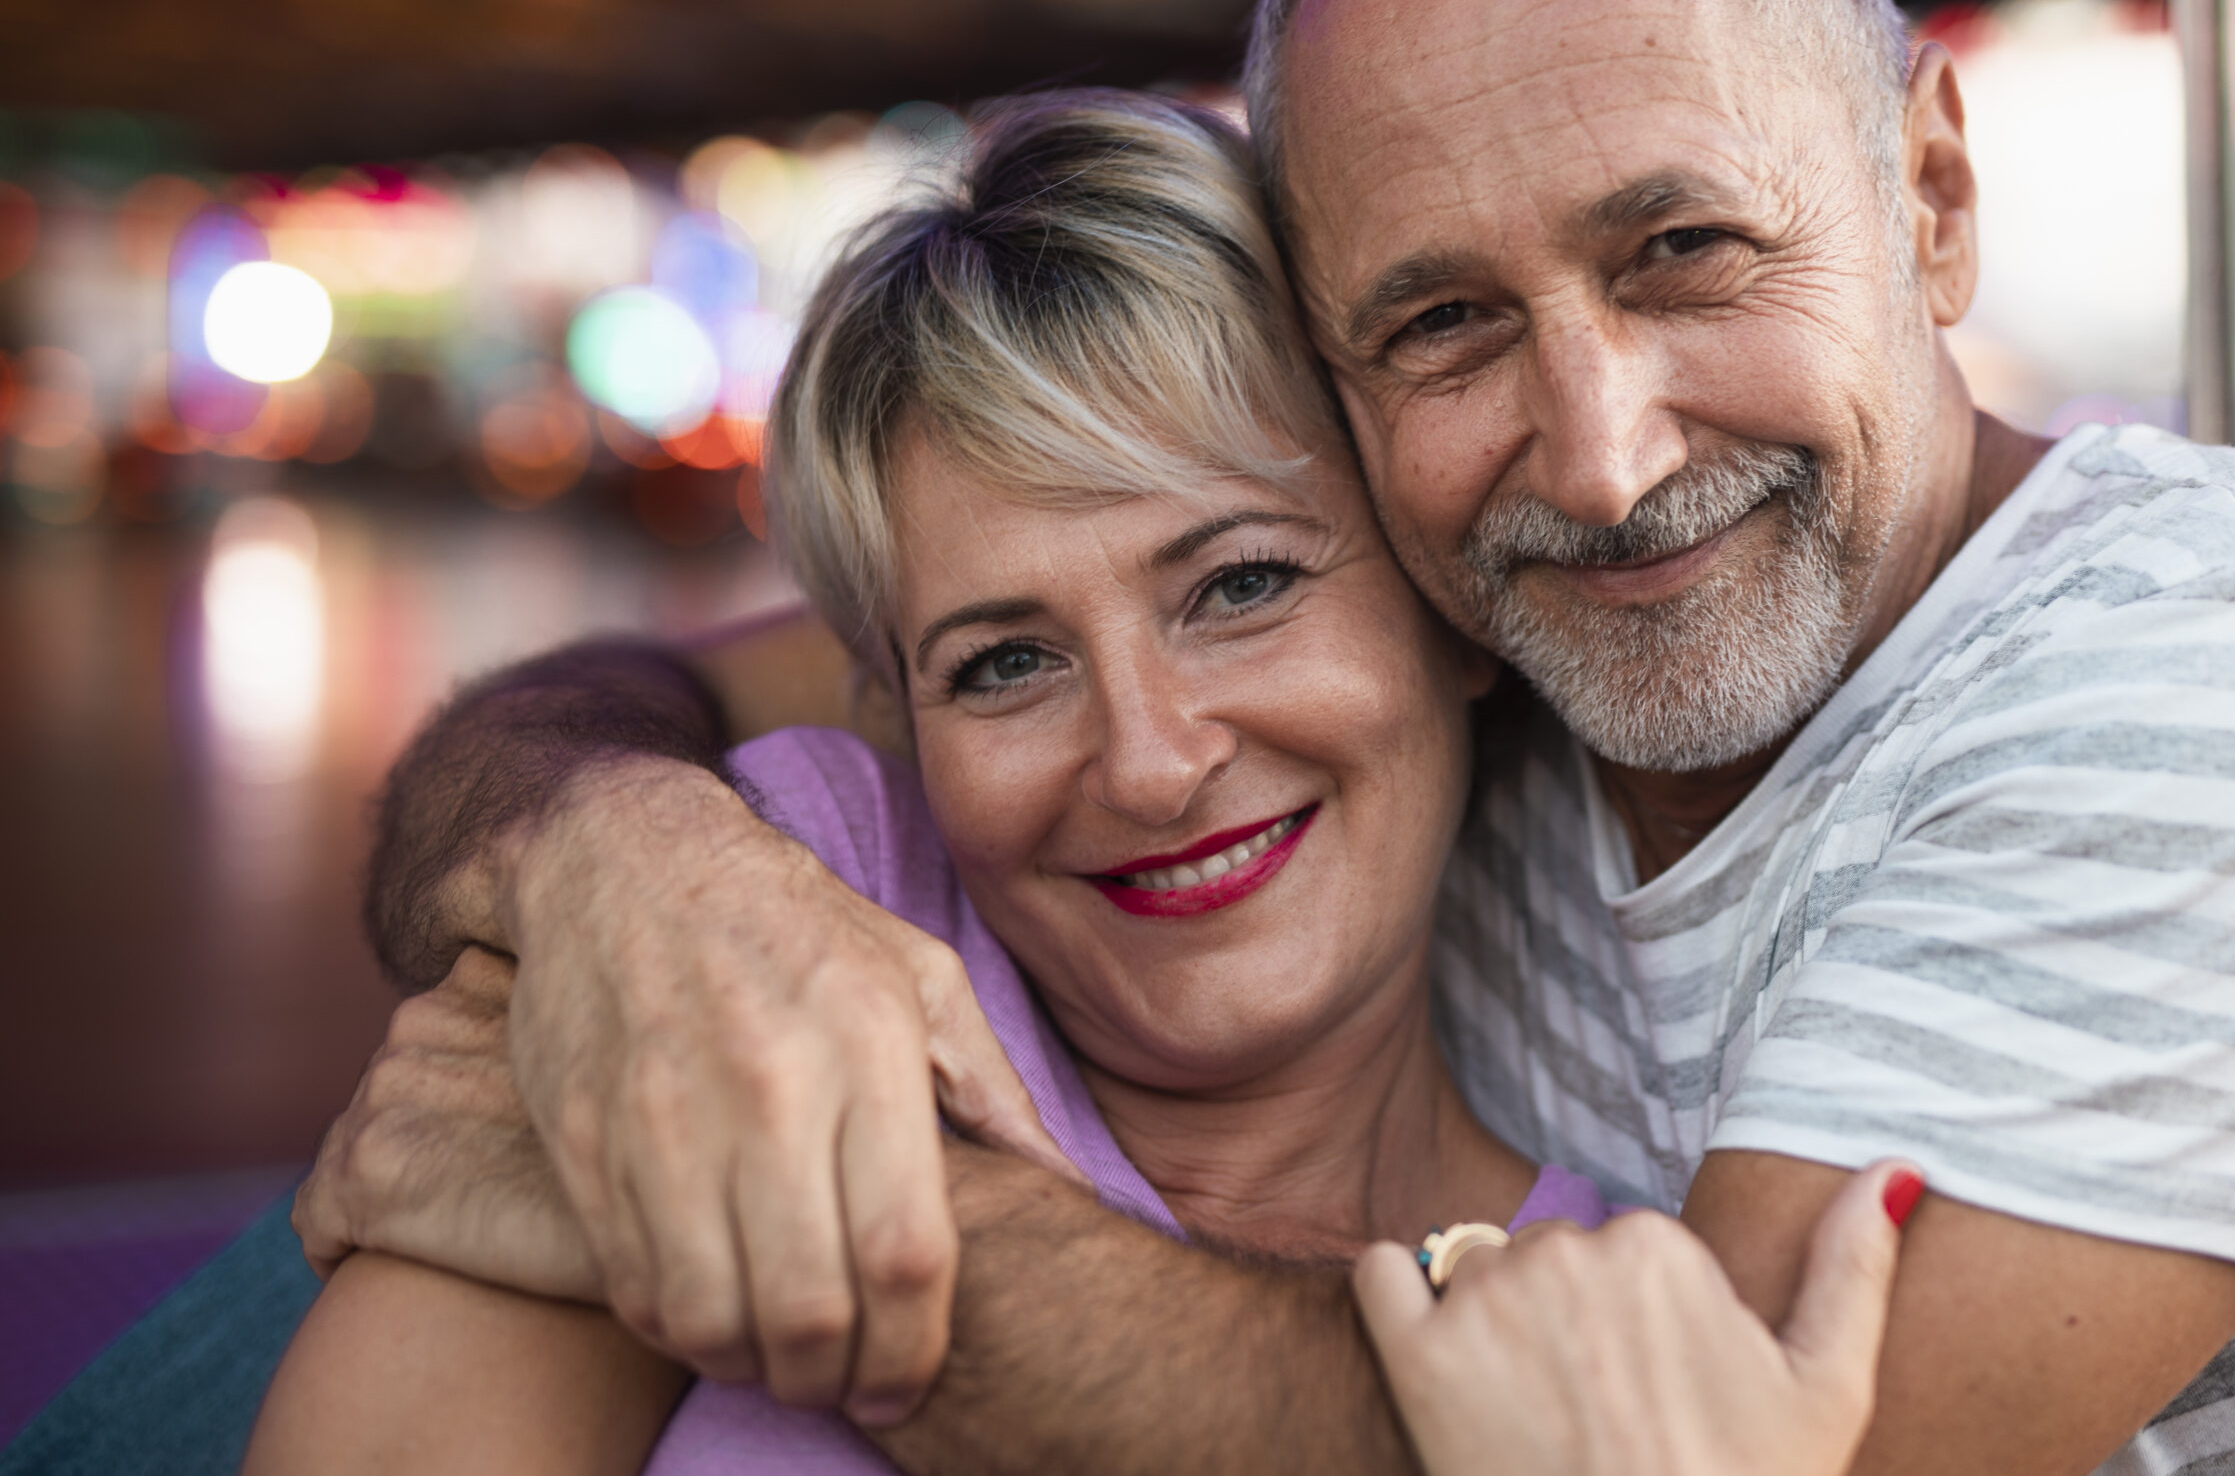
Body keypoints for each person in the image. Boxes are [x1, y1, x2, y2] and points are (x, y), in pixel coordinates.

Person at [300, 0, 2235, 1472]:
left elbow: (1700, 1449)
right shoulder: (1486, 629)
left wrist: (675, 1178)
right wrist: (624, 863)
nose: (1593, 449)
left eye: (1682, 247)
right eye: (1445, 321)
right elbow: (723, 681)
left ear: (1929, 196)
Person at [247, 92, 1918, 1476]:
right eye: (1004, 662)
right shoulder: (776, 902)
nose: (1149, 758)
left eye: (1244, 584)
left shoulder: (1625, 1337)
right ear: (895, 710)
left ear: (1447, 606)